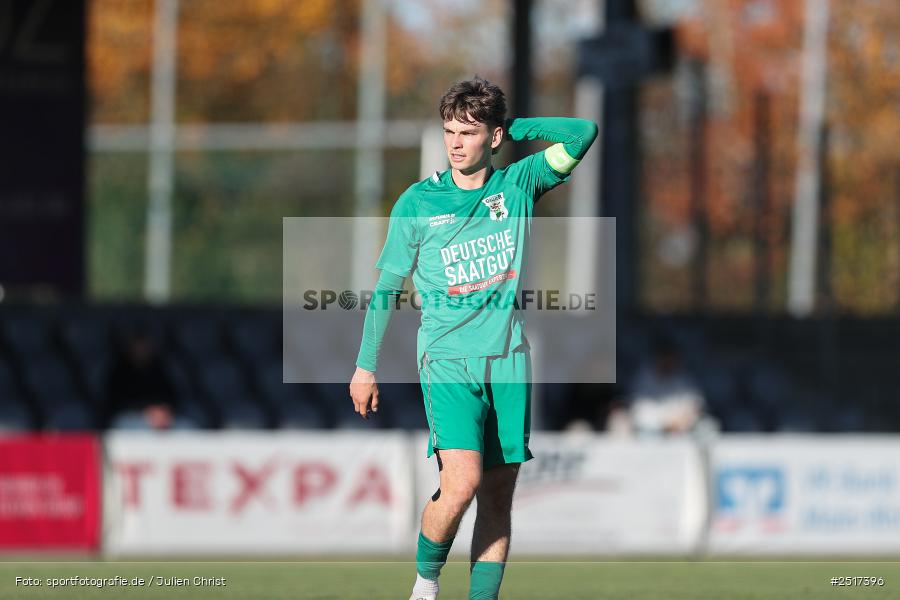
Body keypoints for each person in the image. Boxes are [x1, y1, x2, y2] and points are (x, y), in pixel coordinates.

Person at [348, 77, 597, 600]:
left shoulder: (519, 184)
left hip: (508, 361)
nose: (455, 142)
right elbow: (388, 287)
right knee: (461, 483)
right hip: (448, 362)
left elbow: (582, 132)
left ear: (494, 136)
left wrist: (516, 128)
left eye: (468, 131)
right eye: (448, 131)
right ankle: (425, 585)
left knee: (499, 494)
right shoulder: (417, 202)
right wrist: (365, 365)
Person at [105, 328, 188, 430]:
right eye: (137, 347)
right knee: (122, 424)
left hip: (162, 418)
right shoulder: (119, 372)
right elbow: (114, 404)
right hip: (133, 418)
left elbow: (171, 397)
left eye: (145, 347)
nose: (141, 351)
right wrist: (146, 412)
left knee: (187, 426)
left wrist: (163, 411)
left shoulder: (160, 370)